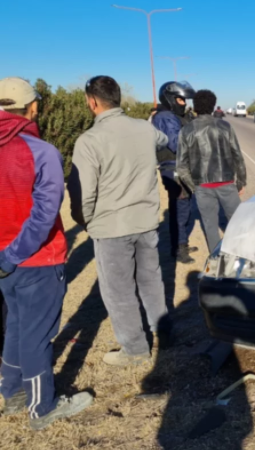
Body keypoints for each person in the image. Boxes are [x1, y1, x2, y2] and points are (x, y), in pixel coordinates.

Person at [0, 77, 93, 430]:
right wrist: (14, 254)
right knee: (38, 334)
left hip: (4, 260)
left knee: (16, 328)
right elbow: (44, 214)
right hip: (36, 259)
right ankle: (42, 407)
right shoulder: (42, 152)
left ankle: (12, 393)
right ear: (33, 107)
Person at [68, 76, 170, 367]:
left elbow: (83, 193)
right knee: (151, 279)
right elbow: (163, 141)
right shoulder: (144, 129)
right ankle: (163, 329)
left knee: (118, 290)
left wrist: (84, 220)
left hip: (111, 226)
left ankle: (135, 349)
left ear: (92, 101)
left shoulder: (89, 140)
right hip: (146, 221)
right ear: (118, 98)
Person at [176, 89, 246, 252]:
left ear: (195, 107)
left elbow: (181, 165)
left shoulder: (186, 130)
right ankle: (239, 254)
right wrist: (241, 181)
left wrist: (194, 187)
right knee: (237, 222)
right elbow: (237, 155)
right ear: (213, 106)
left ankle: (215, 259)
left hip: (203, 186)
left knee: (210, 226)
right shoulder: (224, 126)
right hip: (227, 183)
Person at [152, 81, 197, 264]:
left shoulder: (176, 116)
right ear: (170, 99)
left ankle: (181, 242)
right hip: (173, 167)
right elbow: (177, 143)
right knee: (180, 207)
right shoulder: (165, 117)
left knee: (184, 206)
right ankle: (179, 248)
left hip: (181, 166)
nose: (184, 103)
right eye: (180, 99)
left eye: (184, 100)